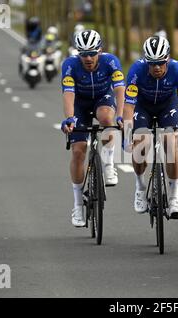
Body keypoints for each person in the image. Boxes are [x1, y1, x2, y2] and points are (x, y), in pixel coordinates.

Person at [122, 36, 178, 219]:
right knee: (140, 144)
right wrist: (127, 135)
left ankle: (174, 198)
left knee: (171, 142)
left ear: (167, 58)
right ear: (146, 61)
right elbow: (128, 106)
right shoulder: (136, 70)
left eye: (161, 63)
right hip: (142, 106)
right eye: (152, 63)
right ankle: (140, 186)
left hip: (167, 106)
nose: (157, 68)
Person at [60, 29, 125, 227]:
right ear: (77, 53)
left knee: (107, 118)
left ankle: (108, 163)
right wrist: (70, 118)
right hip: (79, 104)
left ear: (100, 50)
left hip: (102, 99)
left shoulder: (111, 61)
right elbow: (68, 94)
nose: (88, 58)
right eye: (83, 54)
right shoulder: (70, 65)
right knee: (78, 151)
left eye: (92, 53)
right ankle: (78, 205)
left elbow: (120, 90)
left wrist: (121, 115)